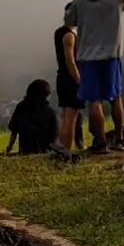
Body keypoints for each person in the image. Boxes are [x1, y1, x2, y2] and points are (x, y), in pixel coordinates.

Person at [66, 0, 124, 153]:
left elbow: (69, 22)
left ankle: (100, 143)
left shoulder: (79, 2)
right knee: (115, 97)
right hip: (111, 55)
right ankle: (120, 139)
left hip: (87, 57)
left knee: (94, 100)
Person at [52, 8, 85, 154]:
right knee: (72, 115)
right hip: (70, 78)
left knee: (66, 114)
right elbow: (70, 61)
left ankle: (60, 147)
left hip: (62, 78)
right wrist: (79, 79)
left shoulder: (59, 32)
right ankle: (67, 149)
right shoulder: (69, 36)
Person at [4, 79, 59, 156]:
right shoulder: (50, 112)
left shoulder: (21, 107)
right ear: (46, 95)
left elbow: (14, 131)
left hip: (25, 152)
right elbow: (55, 138)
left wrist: (9, 148)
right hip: (46, 153)